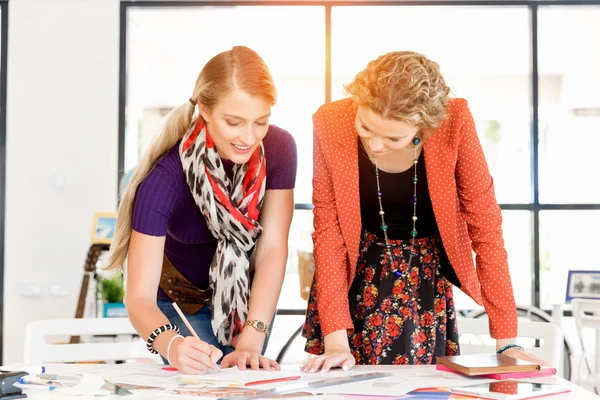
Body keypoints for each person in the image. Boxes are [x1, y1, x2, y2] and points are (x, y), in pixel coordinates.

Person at [301, 50, 545, 372]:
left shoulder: (452, 121)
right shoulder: (330, 121)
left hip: (423, 278)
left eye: (393, 136)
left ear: (424, 124)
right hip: (351, 274)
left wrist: (507, 340)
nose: (374, 145)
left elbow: (486, 229)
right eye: (366, 127)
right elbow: (329, 231)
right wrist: (335, 341)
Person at [107, 46, 297, 375]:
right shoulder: (164, 179)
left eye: (261, 122)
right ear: (205, 109)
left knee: (246, 386)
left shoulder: (279, 148)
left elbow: (272, 248)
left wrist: (251, 340)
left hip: (249, 300)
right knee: (204, 387)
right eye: (234, 122)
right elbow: (138, 297)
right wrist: (172, 345)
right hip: (180, 306)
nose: (249, 137)